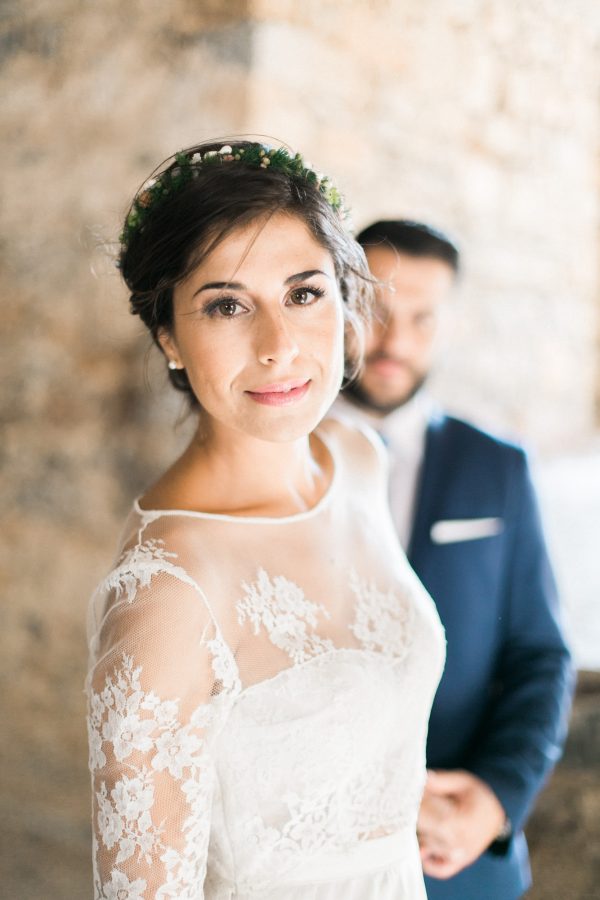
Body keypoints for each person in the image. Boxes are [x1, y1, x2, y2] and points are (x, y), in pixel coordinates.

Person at [85, 144, 446, 899]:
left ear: (346, 303)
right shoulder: (167, 591)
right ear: (169, 338)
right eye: (226, 305)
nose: (278, 346)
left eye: (304, 293)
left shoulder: (358, 459)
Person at [334, 219, 574, 900]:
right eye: (377, 311)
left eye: (423, 319)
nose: (396, 342)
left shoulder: (499, 467)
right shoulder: (271, 460)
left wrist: (496, 801)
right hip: (306, 847)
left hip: (457, 855)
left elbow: (541, 653)